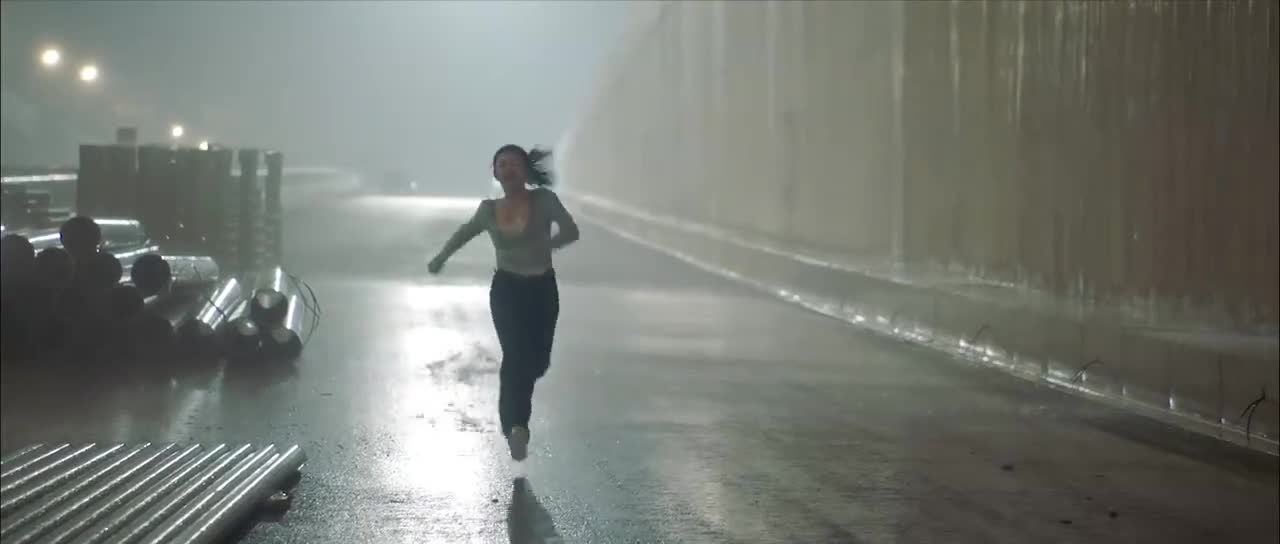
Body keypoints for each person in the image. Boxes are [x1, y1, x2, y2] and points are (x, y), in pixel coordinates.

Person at [428, 144, 579, 461]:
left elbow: (571, 231)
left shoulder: (545, 200)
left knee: (537, 363)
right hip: (507, 291)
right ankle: (516, 427)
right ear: (495, 173)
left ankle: (517, 422)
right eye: (502, 164)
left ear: (525, 170)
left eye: (514, 164)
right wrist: (441, 257)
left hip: (542, 289)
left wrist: (547, 244)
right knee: (515, 357)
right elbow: (464, 233)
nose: (509, 169)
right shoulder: (488, 210)